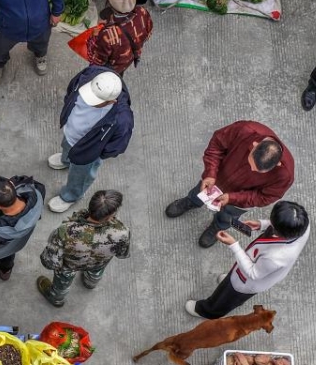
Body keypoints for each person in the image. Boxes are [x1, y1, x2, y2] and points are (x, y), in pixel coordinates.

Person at [165, 121, 294, 248]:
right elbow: (216, 145)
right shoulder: (244, 130)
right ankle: (192, 201)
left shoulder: (285, 174)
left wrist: (233, 198)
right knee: (199, 191)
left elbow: (265, 197)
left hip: (240, 200)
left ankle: (217, 226)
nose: (252, 169)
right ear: (254, 145)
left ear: (277, 165)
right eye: (251, 163)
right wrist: (210, 173)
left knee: (228, 215)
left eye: (257, 171)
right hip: (218, 177)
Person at [187, 201, 310, 319]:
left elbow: (253, 273)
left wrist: (234, 245)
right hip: (252, 267)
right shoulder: (301, 224)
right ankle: (230, 281)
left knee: (225, 298)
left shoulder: (276, 258)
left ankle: (207, 311)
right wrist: (262, 224)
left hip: (248, 281)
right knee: (231, 280)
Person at [47, 67, 134, 214]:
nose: (88, 100)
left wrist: (94, 153)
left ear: (112, 101)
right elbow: (71, 90)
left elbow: (117, 146)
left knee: (80, 176)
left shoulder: (122, 119)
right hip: (70, 133)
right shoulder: (90, 74)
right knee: (66, 147)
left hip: (87, 150)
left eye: (95, 100)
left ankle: (70, 196)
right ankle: (66, 160)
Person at [37, 189, 130, 307]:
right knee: (96, 271)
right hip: (99, 263)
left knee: (63, 281)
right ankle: (90, 283)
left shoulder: (65, 231)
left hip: (69, 266)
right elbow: (122, 254)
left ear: (91, 205)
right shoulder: (122, 232)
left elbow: (51, 261)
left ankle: (57, 298)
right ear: (109, 216)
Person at [85, 0, 153, 76]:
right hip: (127, 60)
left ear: (110, 4)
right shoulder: (142, 12)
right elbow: (148, 34)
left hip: (112, 67)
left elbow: (97, 61)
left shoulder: (108, 35)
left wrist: (94, 37)